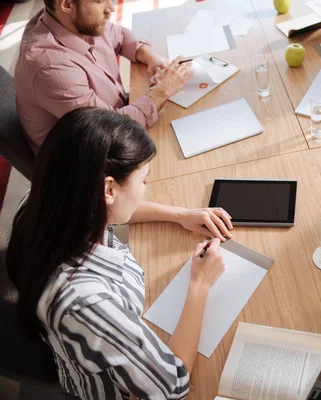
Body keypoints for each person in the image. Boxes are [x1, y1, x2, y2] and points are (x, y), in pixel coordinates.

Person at [7, 108, 234, 399]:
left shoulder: (46, 202)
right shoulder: (87, 302)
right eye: (143, 180)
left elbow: (109, 209)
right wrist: (200, 283)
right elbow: (173, 386)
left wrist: (180, 214)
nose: (145, 188)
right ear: (109, 189)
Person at [15, 0, 193, 153]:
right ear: (67, 4)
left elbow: (119, 34)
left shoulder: (72, 21)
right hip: (88, 162)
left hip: (111, 120)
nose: (112, 8)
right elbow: (112, 130)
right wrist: (163, 91)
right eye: (100, 1)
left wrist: (150, 57)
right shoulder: (51, 69)